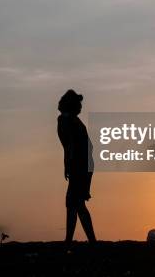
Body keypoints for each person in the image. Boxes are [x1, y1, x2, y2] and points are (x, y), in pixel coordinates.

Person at [57, 89, 96, 245]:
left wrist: (68, 164)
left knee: (74, 202)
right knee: (76, 203)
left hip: (80, 165)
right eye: (78, 104)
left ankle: (71, 240)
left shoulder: (68, 120)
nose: (80, 107)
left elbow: (71, 145)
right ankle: (85, 240)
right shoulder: (72, 121)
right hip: (84, 165)